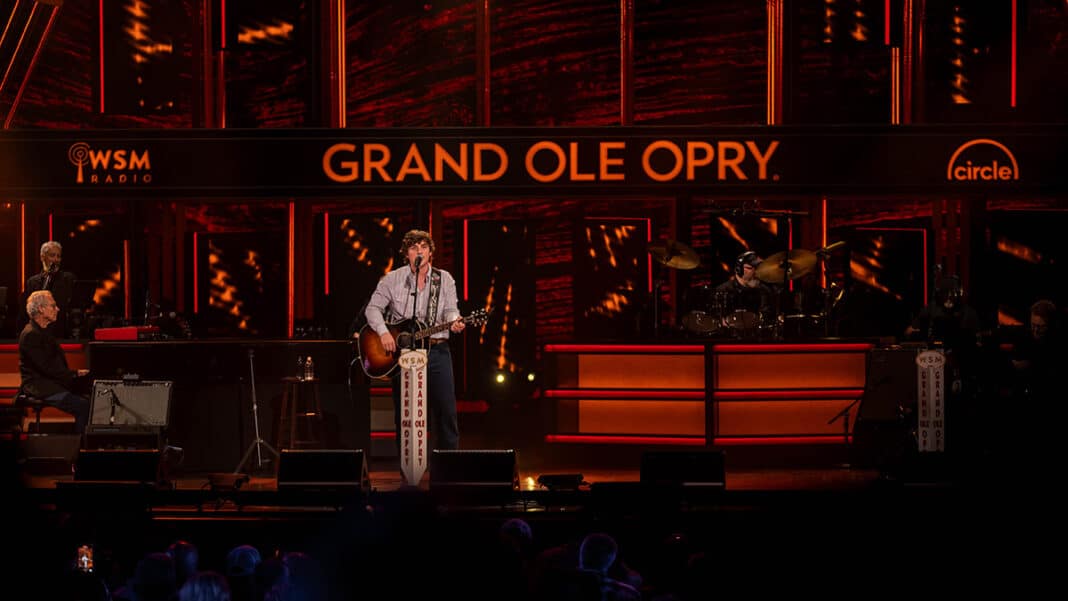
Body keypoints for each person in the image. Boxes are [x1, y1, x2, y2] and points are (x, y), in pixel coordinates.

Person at [364, 229, 465, 452]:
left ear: (431, 253)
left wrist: (455, 321)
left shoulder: (444, 279)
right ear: (406, 254)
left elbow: (450, 310)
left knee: (446, 412)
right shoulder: (393, 279)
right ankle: (409, 475)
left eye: (423, 247)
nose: (419, 251)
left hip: (437, 352)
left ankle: (448, 470)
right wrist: (383, 333)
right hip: (404, 356)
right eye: (413, 248)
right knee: (406, 416)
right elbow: (372, 309)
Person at [18, 290, 90, 432]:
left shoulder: (42, 331)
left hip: (52, 381)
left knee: (92, 397)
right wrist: (74, 374)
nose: (57, 309)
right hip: (41, 386)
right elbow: (47, 368)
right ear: (41, 309)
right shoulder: (31, 334)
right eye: (53, 306)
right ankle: (81, 447)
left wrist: (76, 375)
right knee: (83, 406)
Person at [16, 241, 76, 338]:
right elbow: (24, 311)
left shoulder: (68, 279)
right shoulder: (32, 282)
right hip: (38, 334)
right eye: (52, 255)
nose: (56, 259)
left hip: (61, 333)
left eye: (58, 256)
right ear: (42, 257)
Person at [716, 250, 775, 318]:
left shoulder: (765, 290)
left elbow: (768, 316)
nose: (755, 272)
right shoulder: (723, 291)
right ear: (739, 270)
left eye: (758, 268)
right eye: (750, 268)